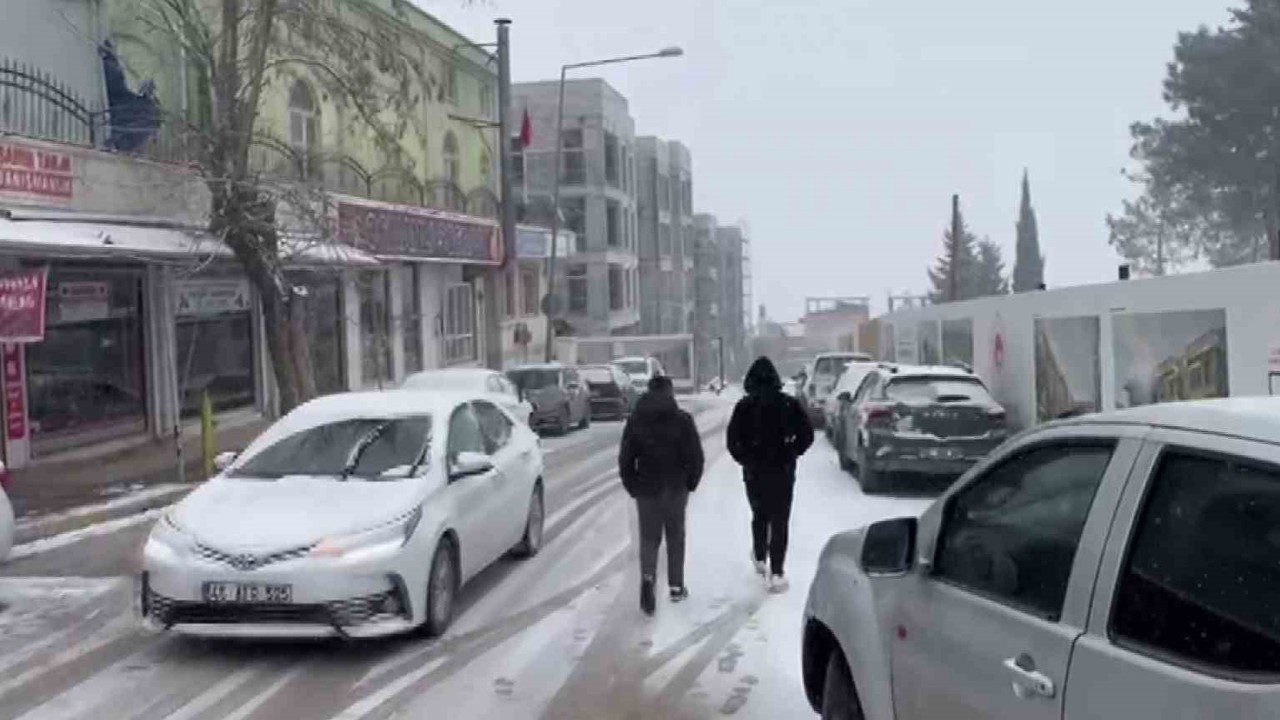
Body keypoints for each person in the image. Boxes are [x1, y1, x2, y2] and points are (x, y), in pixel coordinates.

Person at [619, 375, 705, 616]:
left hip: (647, 488)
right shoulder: (682, 420)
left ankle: (648, 577)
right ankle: (676, 586)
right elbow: (695, 456)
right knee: (676, 537)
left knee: (649, 539)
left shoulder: (636, 421)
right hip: (676, 487)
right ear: (670, 392)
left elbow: (626, 458)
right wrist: (691, 482)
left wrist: (632, 485)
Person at [727, 356, 815, 592]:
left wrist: (746, 458)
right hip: (782, 471)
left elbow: (732, 440)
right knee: (780, 520)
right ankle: (777, 571)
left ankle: (759, 556)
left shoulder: (745, 407)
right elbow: (807, 434)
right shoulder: (788, 404)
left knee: (759, 514)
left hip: (754, 472)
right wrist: (793, 452)